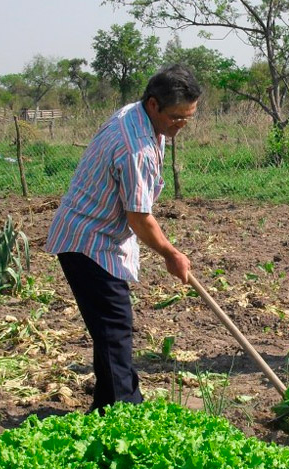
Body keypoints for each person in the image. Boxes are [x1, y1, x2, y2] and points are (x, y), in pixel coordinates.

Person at [46, 64, 201, 414]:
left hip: (98, 235)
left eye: (188, 117)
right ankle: (123, 412)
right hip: (88, 240)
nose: (181, 124)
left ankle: (107, 406)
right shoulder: (136, 148)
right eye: (176, 116)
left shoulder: (134, 115)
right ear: (153, 105)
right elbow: (139, 218)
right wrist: (170, 253)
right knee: (115, 328)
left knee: (109, 329)